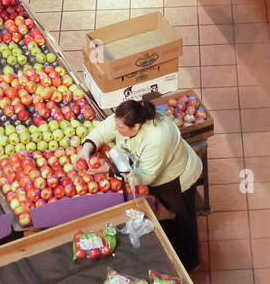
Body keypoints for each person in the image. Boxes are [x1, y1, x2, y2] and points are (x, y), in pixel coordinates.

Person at [78, 98, 203, 271]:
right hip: (152, 170)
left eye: (120, 128)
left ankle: (189, 261)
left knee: (184, 217)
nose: (116, 129)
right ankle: (168, 241)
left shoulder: (158, 139)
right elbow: (103, 131)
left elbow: (145, 177)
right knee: (167, 213)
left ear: (136, 127)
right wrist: (86, 148)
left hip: (176, 177)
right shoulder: (126, 119)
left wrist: (110, 170)